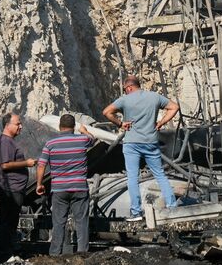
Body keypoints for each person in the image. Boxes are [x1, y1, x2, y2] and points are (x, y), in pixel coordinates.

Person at [102, 75, 180, 221]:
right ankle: (172, 206)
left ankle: (136, 212)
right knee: (160, 174)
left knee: (132, 177)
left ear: (129, 87)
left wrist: (120, 124)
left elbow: (106, 112)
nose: (126, 92)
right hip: (151, 141)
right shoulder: (155, 97)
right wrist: (161, 122)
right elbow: (174, 107)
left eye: (126, 90)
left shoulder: (125, 99)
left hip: (132, 143)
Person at [35, 114, 95, 255]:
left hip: (59, 189)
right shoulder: (82, 140)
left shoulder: (50, 144)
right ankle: (82, 254)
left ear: (59, 127)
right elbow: (93, 139)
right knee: (81, 223)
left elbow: (41, 165)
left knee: (58, 223)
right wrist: (84, 131)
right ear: (73, 127)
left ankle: (55, 253)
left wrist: (39, 184)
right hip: (79, 187)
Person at [0, 113, 36, 257]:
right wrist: (27, 163)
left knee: (10, 222)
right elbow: (5, 165)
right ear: (8, 125)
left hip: (13, 188)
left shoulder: (7, 141)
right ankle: (4, 253)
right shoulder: (5, 142)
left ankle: (7, 251)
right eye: (18, 124)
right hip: (9, 189)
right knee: (8, 222)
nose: (21, 126)